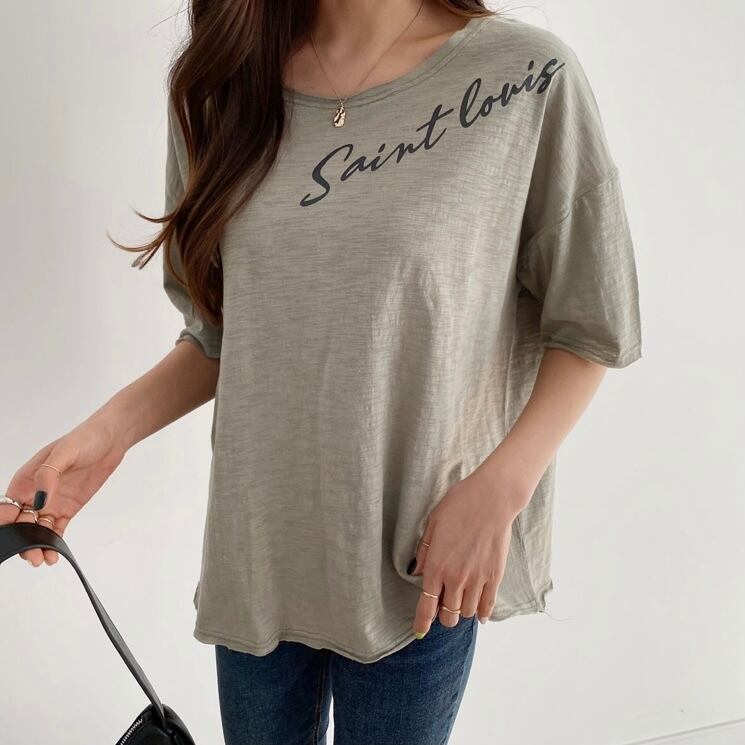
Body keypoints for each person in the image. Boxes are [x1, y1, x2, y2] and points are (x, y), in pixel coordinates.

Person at [1, 1, 643, 743]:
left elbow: (592, 321)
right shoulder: (220, 84)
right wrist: (104, 436)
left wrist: (500, 489)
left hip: (417, 558)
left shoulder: (524, 77)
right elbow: (220, 333)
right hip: (259, 552)